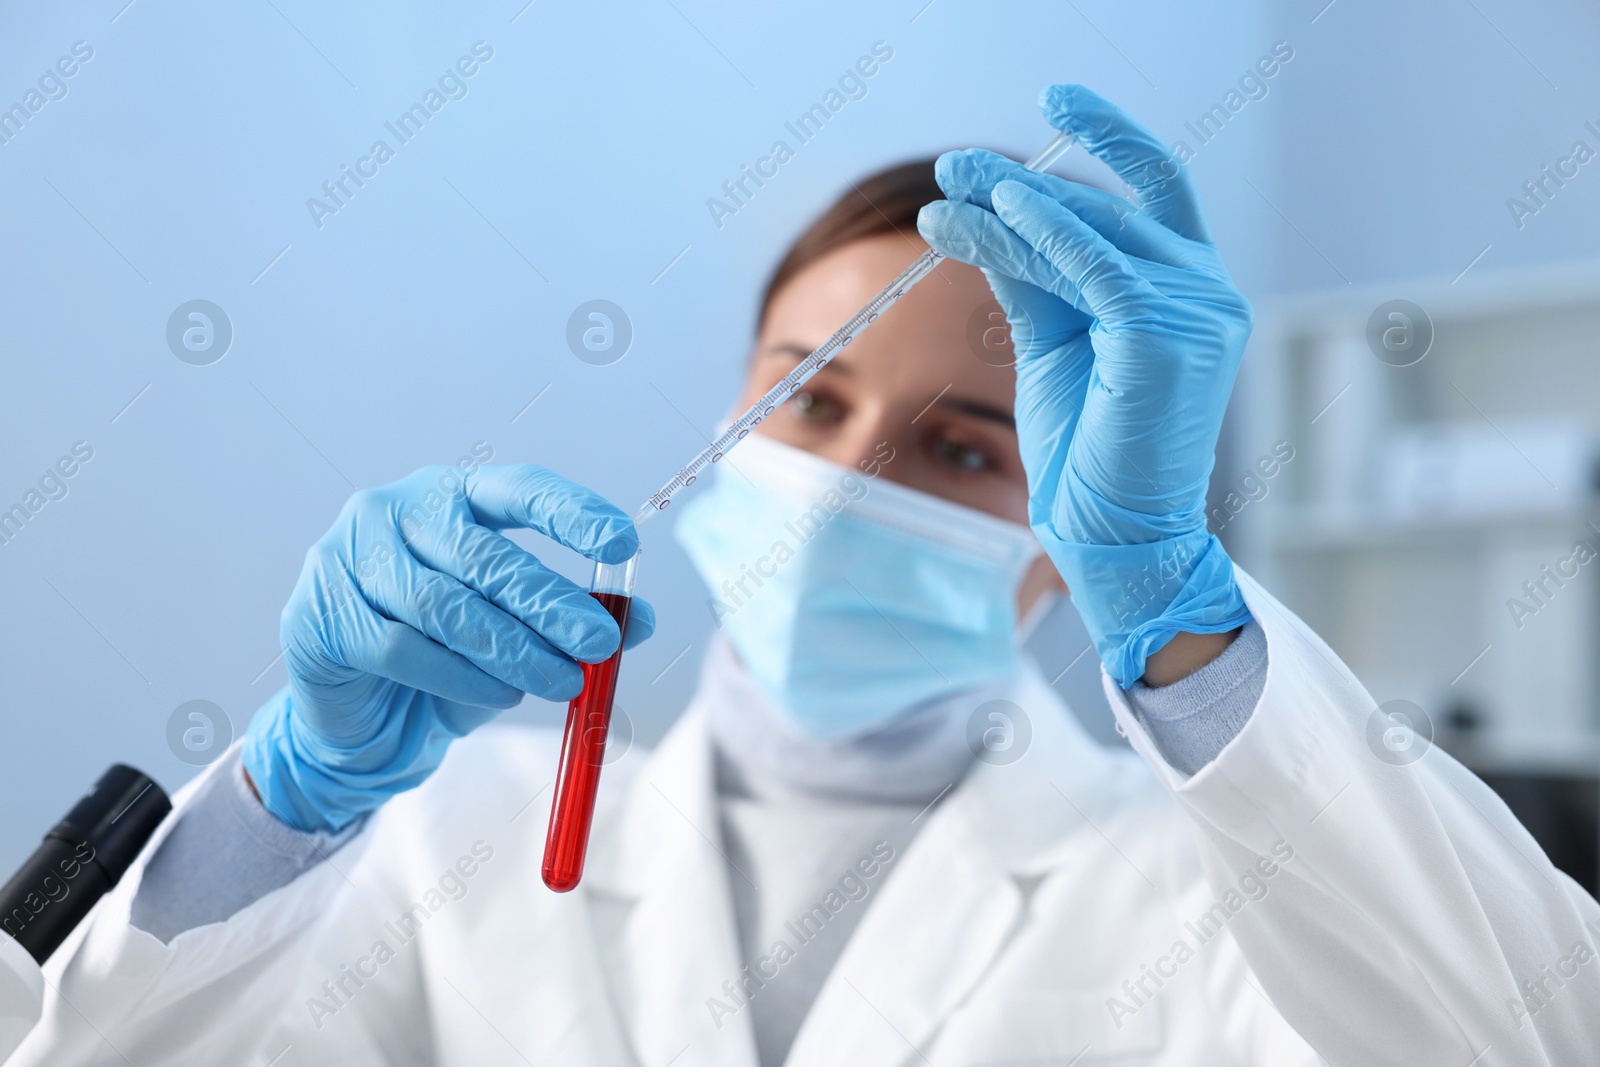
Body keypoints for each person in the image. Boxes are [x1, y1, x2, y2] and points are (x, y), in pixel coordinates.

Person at [14, 85, 1599, 1067]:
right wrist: (287, 802)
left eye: (962, 450)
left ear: (1066, 538)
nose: (844, 484)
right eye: (806, 397)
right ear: (725, 424)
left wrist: (1187, 616)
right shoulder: (446, 841)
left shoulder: (1205, 894)